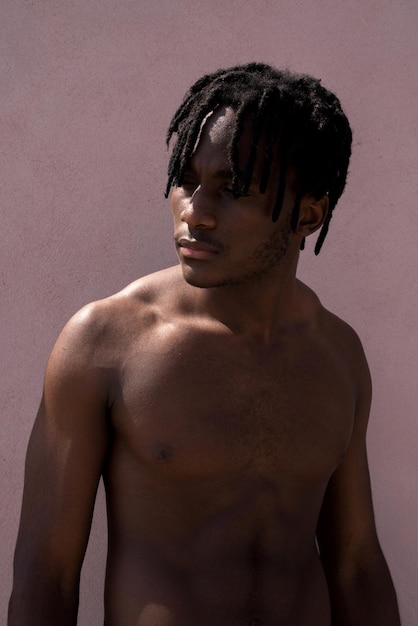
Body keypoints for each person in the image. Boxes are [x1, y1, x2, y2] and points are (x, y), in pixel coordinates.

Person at [8, 63, 401, 626]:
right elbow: (45, 572)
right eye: (186, 179)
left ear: (309, 215)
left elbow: (357, 566)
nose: (195, 211)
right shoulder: (106, 343)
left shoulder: (336, 353)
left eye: (234, 188)